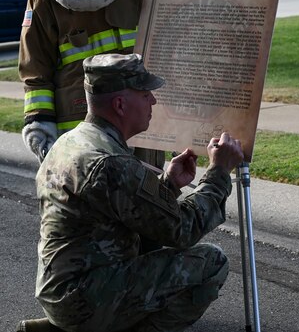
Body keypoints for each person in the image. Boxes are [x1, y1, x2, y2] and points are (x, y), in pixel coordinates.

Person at [18, 53, 244, 332]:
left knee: (153, 239)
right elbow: (183, 229)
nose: (153, 101)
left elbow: (130, 208)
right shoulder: (110, 162)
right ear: (120, 104)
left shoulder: (74, 141)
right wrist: (219, 172)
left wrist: (169, 185)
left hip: (64, 288)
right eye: (145, 93)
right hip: (83, 298)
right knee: (211, 262)